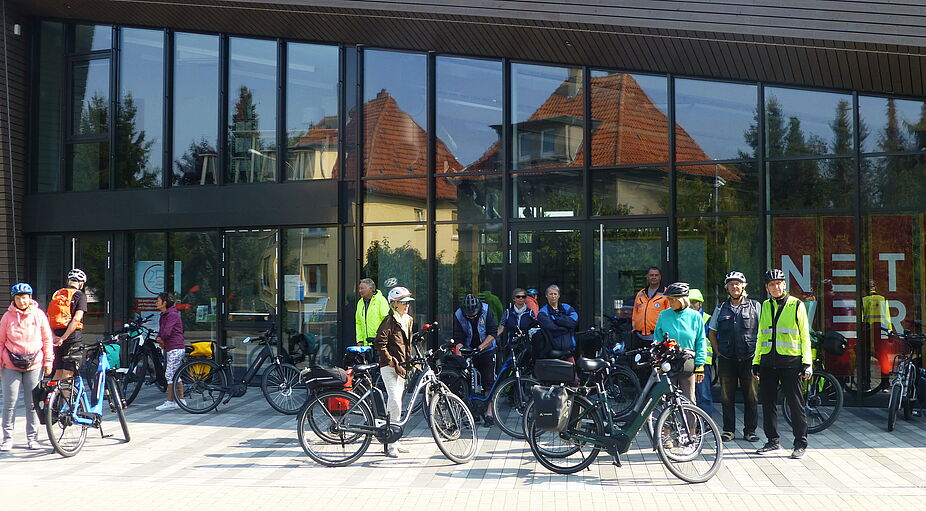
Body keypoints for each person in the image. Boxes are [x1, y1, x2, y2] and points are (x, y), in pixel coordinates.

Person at [753, 269, 812, 460]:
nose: (776, 287)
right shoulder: (765, 305)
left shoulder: (796, 305)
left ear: (784, 285)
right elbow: (762, 334)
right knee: (768, 403)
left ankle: (800, 443)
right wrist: (756, 361)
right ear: (767, 288)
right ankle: (772, 441)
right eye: (771, 284)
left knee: (796, 404)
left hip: (791, 362)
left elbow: (804, 335)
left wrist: (807, 362)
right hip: (768, 362)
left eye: (779, 283)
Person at [708, 271, 761, 443]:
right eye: (731, 284)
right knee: (726, 397)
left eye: (738, 283)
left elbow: (763, 332)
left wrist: (759, 356)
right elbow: (712, 333)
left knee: (751, 396)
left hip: (749, 358)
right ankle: (728, 430)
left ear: (744, 286)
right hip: (727, 359)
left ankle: (750, 431)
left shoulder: (755, 306)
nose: (735, 286)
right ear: (727, 288)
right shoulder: (720, 308)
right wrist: (718, 352)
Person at [0, 283, 54, 451]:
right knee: (10, 403)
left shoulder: (38, 315)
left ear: (30, 298)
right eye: (18, 298)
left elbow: (47, 340)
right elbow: (1, 341)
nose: (21, 301)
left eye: (24, 297)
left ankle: (33, 438)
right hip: (10, 364)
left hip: (35, 363)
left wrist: (48, 361)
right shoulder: (7, 317)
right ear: (14, 299)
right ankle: (7, 439)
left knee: (33, 403)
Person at [374, 286, 415, 457]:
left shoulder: (408, 320)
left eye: (407, 302)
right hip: (389, 367)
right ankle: (390, 443)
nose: (406, 305)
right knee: (395, 402)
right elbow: (379, 343)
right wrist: (391, 361)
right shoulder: (389, 321)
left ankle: (394, 439)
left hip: (402, 367)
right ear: (394, 304)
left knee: (395, 405)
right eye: (403, 302)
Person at [653, 283, 707, 406]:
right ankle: (666, 426)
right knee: (667, 401)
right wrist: (657, 361)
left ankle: (691, 426)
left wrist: (700, 364)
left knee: (689, 400)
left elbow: (700, 341)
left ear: (682, 299)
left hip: (687, 363)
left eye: (672, 299)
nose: (669, 302)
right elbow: (657, 339)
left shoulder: (695, 316)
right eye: (669, 299)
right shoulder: (664, 315)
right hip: (668, 363)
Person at [452, 293, 498, 426]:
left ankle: (489, 412)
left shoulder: (486, 310)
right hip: (468, 349)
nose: (471, 317)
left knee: (488, 380)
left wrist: (480, 348)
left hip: (487, 349)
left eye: (473, 315)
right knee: (468, 381)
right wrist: (460, 355)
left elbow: (492, 333)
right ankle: (472, 412)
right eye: (469, 315)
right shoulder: (459, 314)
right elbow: (458, 337)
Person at [47, 269, 88, 381]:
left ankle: (51, 397)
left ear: (68, 281)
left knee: (59, 370)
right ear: (81, 283)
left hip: (56, 335)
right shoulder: (80, 296)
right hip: (72, 338)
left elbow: (48, 318)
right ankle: (63, 398)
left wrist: (55, 337)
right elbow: (76, 320)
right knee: (68, 373)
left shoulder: (57, 294)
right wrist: (64, 338)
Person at [155, 293, 186, 411]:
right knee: (175, 374)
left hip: (175, 347)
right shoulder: (164, 315)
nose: (156, 303)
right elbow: (162, 330)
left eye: (158, 301)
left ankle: (170, 401)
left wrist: (160, 338)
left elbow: (167, 332)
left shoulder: (172, 315)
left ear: (165, 302)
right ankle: (181, 400)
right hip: (171, 347)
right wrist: (159, 337)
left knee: (169, 374)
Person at [688, 288, 714, 417]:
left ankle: (705, 422)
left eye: (694, 302)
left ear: (700, 303)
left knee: (703, 394)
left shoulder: (707, 319)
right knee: (688, 394)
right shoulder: (684, 317)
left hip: (703, 362)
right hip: (686, 361)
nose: (692, 305)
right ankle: (691, 423)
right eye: (689, 301)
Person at [537, 285, 578, 359]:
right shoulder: (542, 312)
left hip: (570, 351)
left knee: (573, 370)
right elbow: (552, 329)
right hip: (552, 353)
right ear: (546, 296)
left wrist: (557, 320)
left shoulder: (567, 307)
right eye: (550, 294)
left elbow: (574, 322)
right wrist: (568, 328)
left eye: (555, 294)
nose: (553, 296)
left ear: (559, 295)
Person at [631, 267, 669, 348]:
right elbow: (635, 313)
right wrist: (634, 329)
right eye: (651, 275)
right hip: (639, 336)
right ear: (647, 277)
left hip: (657, 337)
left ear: (660, 277)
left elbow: (669, 315)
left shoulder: (666, 293)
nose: (654, 277)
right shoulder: (640, 294)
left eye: (656, 275)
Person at [355, 278, 390, 347]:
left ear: (370, 289)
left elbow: (387, 321)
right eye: (359, 288)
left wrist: (382, 338)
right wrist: (359, 340)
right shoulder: (360, 303)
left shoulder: (381, 300)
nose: (360, 291)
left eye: (362, 288)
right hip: (365, 344)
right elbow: (358, 323)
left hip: (379, 342)